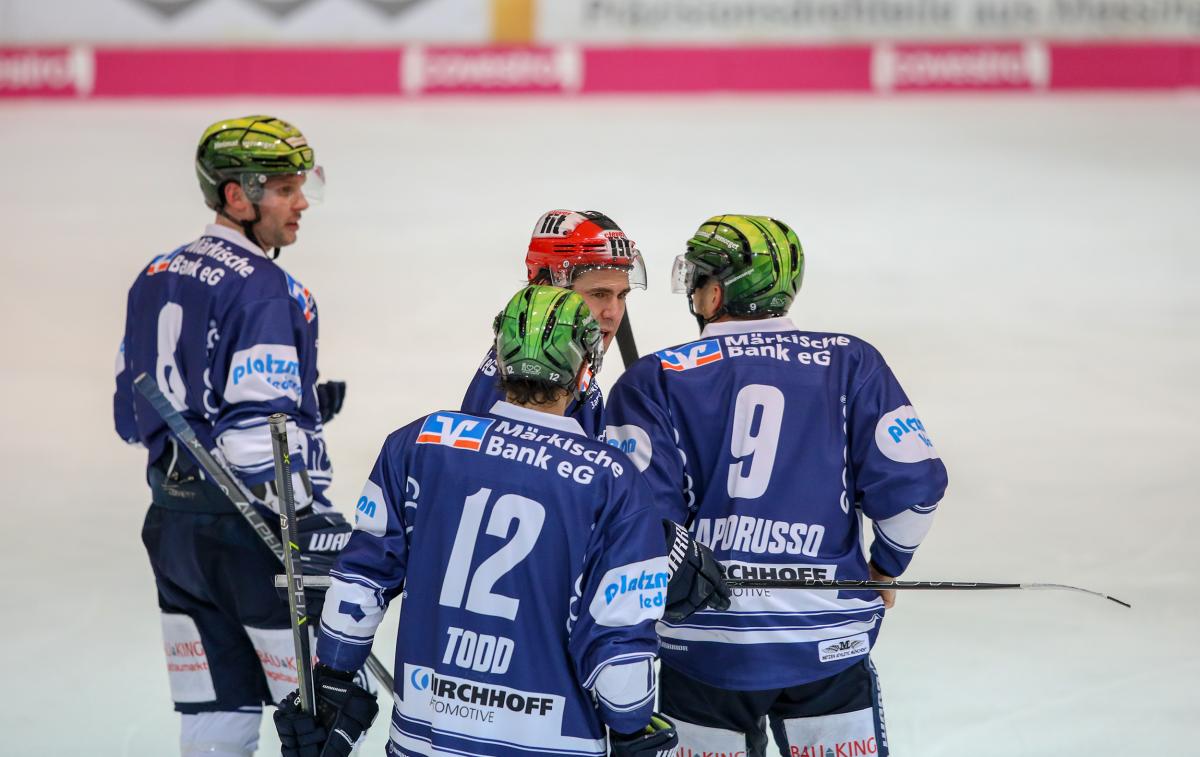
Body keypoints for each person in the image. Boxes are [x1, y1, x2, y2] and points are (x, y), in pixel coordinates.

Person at [274, 285, 732, 757]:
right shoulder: (612, 479)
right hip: (554, 743)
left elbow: (360, 582)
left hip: (425, 737)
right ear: (582, 370)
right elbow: (617, 644)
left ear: (500, 359)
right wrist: (634, 726)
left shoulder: (417, 444)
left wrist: (331, 677)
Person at [604, 215, 949, 757]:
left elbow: (638, 524)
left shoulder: (654, 378)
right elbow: (915, 487)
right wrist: (887, 565)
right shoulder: (850, 360)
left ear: (715, 292)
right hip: (827, 644)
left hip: (702, 652)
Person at [113, 115, 352, 757]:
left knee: (214, 716)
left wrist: (298, 404)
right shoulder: (269, 292)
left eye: (303, 186)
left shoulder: (157, 273)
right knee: (314, 725)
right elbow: (254, 441)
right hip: (256, 544)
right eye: (283, 188)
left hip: (175, 532)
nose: (301, 203)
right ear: (236, 196)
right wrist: (307, 519)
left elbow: (131, 412)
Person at [462, 210, 647, 440]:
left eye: (622, 296)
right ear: (546, 287)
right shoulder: (531, 377)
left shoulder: (556, 362)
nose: (613, 312)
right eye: (599, 294)